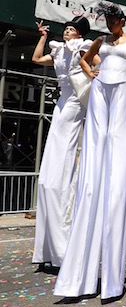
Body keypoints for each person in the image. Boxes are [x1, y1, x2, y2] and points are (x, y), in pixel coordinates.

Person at [54, 2, 126, 303]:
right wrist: (92, 73)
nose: (111, 22)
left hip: (122, 88)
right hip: (101, 89)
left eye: (114, 18)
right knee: (97, 138)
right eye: (108, 18)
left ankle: (110, 281)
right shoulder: (101, 42)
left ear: (122, 21)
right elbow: (85, 61)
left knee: (117, 137)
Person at [31, 16, 92, 271]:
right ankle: (49, 249)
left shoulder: (84, 47)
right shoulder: (58, 51)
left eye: (71, 29)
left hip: (75, 102)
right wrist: (44, 37)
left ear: (78, 34)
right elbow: (35, 59)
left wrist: (93, 73)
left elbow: (94, 65)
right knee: (51, 166)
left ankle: (63, 248)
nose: (66, 31)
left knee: (64, 153)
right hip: (61, 103)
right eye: (66, 28)